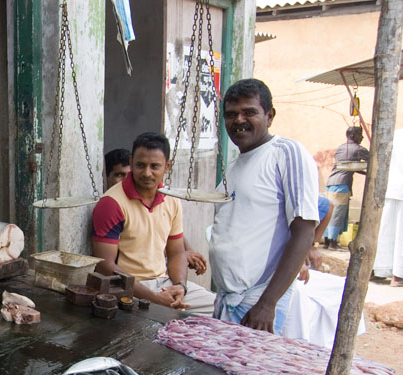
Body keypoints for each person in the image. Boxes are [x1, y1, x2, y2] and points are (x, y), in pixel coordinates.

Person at [210, 78, 320, 333]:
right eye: (231, 114)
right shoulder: (237, 164)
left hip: (257, 302)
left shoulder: (285, 153)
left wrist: (268, 303)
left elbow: (304, 230)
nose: (238, 120)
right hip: (229, 298)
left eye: (249, 112)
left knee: (249, 372)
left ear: (269, 116)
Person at [91, 133, 215, 315]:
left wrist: (180, 286)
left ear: (167, 166)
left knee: (220, 308)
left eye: (155, 166)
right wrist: (154, 298)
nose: (147, 173)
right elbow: (105, 266)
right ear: (132, 162)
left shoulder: (171, 199)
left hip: (164, 282)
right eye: (140, 165)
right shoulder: (111, 203)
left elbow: (176, 253)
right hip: (128, 288)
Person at [104, 147, 208, 277]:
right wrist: (181, 255)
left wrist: (188, 252)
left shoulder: (162, 198)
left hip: (158, 277)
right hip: (130, 280)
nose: (127, 179)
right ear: (105, 176)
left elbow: (168, 233)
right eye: (119, 175)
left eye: (128, 174)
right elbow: (141, 250)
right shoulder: (111, 205)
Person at [323, 126, 369, 250]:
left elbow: (348, 166)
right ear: (353, 136)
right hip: (342, 185)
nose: (362, 137)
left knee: (330, 212)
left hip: (331, 183)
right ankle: (333, 242)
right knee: (338, 213)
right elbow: (373, 160)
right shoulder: (359, 149)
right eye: (360, 134)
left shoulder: (340, 148)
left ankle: (327, 241)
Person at [374, 127, 403, 286]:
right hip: (398, 188)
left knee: (386, 230)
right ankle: (398, 276)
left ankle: (379, 270)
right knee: (400, 234)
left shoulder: (393, 134)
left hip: (389, 187)